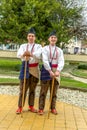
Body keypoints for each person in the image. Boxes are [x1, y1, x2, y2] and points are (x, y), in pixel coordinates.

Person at [16, 27, 42, 114]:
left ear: (35, 37)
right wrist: (24, 54)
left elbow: (38, 55)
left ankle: (31, 106)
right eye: (29, 36)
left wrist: (30, 54)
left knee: (32, 89)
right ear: (27, 37)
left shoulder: (38, 46)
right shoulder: (23, 46)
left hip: (34, 70)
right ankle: (20, 107)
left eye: (32, 36)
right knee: (23, 89)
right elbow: (18, 54)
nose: (31, 37)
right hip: (25, 68)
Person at [38, 30, 64, 115]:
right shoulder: (44, 49)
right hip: (46, 70)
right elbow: (45, 60)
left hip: (56, 71)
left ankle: (53, 108)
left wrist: (58, 71)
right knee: (43, 91)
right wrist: (49, 70)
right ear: (49, 39)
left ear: (56, 39)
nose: (53, 39)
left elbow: (61, 61)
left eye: (55, 37)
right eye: (52, 37)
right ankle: (41, 108)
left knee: (54, 92)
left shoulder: (59, 50)